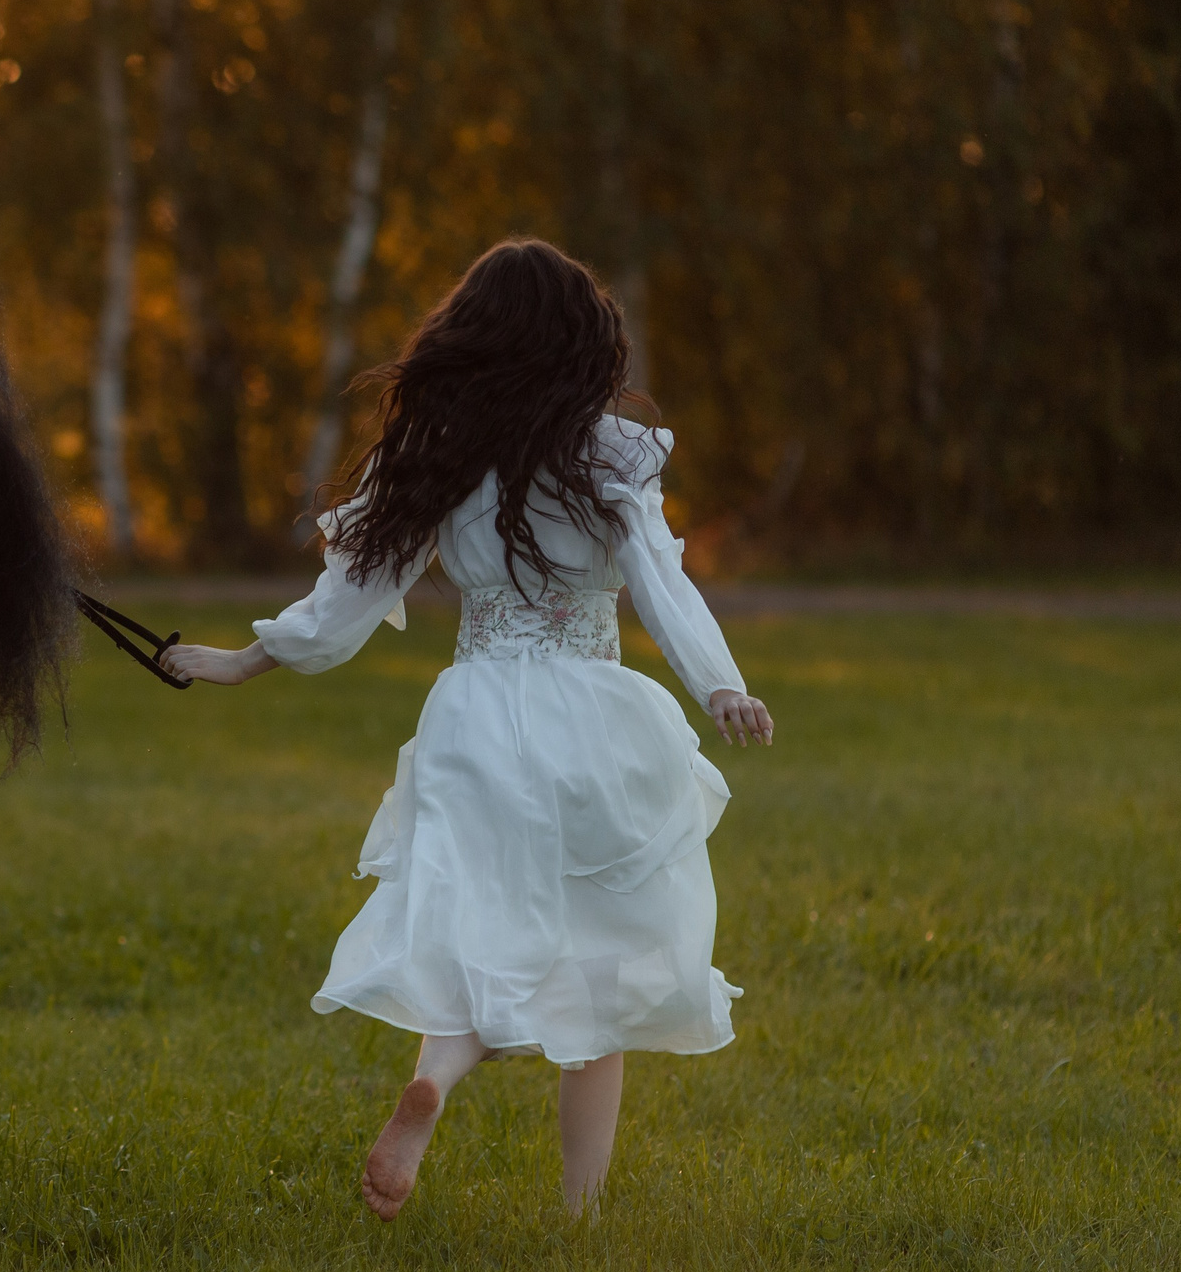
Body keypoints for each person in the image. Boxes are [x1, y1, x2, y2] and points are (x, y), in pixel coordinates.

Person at [160, 238, 773, 1220]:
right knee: (603, 964)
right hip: (598, 716)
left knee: (476, 933)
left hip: (477, 711)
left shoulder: (436, 457)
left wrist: (239, 659)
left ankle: (435, 1083)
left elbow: (342, 604)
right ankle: (579, 1214)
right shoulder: (605, 453)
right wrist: (718, 686)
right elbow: (661, 584)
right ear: (582, 346)